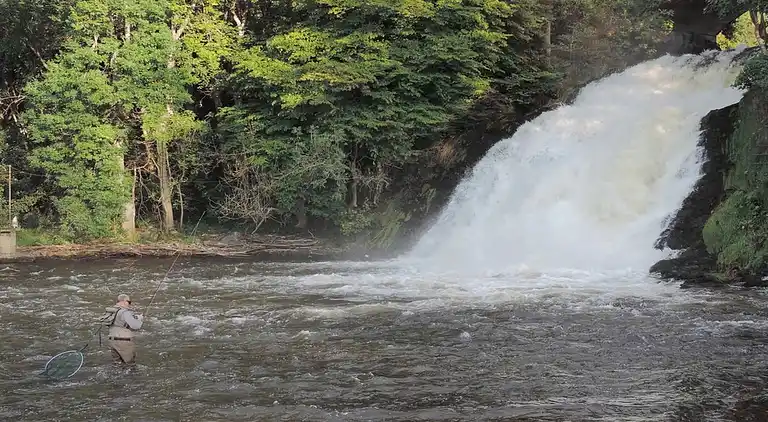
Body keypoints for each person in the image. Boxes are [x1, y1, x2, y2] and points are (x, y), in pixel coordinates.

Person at [99, 293, 143, 368]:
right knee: (131, 366)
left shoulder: (112, 311)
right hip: (124, 342)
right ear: (125, 301)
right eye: (129, 302)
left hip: (112, 341)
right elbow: (136, 326)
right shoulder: (125, 312)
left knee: (118, 366)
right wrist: (140, 319)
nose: (129, 304)